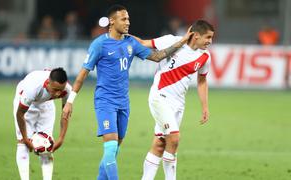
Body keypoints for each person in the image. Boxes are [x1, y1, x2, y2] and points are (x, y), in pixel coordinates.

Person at [62, 4, 193, 180]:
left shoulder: (130, 43)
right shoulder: (99, 44)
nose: (128, 22)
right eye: (123, 19)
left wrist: (182, 41)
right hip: (105, 101)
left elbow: (157, 56)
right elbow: (82, 74)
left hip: (123, 103)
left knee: (113, 151)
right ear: (112, 21)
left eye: (128, 19)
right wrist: (70, 101)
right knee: (109, 148)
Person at [136, 20, 214, 180]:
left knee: (159, 144)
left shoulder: (205, 56)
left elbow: (202, 81)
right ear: (197, 35)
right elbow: (144, 43)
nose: (210, 42)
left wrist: (205, 107)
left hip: (178, 104)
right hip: (160, 97)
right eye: (208, 37)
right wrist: (120, 36)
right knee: (174, 138)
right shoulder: (172, 40)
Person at [13, 68, 72, 180]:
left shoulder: (67, 90)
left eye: (61, 90)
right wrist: (25, 138)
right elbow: (20, 114)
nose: (58, 93)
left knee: (47, 144)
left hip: (46, 103)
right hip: (26, 102)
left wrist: (61, 138)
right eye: (55, 89)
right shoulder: (32, 87)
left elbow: (65, 114)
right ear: (48, 83)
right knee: (22, 143)